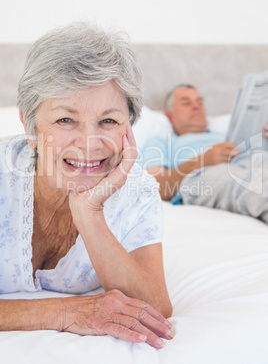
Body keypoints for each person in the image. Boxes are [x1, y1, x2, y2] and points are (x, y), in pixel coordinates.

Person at [0, 22, 173, 349]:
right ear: (30, 125)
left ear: (129, 127)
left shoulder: (138, 191)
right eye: (65, 119)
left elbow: (155, 308)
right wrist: (62, 312)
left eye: (108, 121)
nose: (89, 143)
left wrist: (90, 213)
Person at [140, 84, 239, 204]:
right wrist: (202, 162)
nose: (196, 106)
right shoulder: (161, 143)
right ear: (169, 115)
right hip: (210, 178)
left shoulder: (229, 135)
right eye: (186, 103)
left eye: (200, 102)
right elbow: (153, 188)